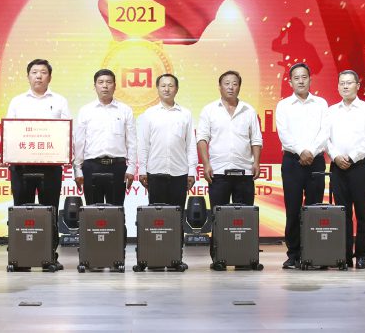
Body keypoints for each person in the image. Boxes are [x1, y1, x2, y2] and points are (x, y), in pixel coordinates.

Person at [275, 62, 330, 269]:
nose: (300, 81)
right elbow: (284, 134)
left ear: (310, 80)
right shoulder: (283, 106)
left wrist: (311, 152)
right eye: (296, 78)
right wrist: (301, 151)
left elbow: (325, 132)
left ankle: (313, 253)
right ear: (290, 82)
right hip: (292, 161)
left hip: (316, 161)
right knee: (293, 209)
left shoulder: (321, 104)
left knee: (314, 208)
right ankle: (293, 254)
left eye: (304, 77)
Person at [327, 69, 365, 270]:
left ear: (358, 85)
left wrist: (351, 157)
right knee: (342, 213)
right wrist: (335, 156)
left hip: (360, 167)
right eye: (342, 83)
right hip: (337, 167)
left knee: (363, 212)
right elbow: (326, 139)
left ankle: (362, 255)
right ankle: (344, 255)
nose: (345, 86)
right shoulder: (331, 111)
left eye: (349, 82)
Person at [5, 59, 71, 209]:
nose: (38, 76)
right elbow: (9, 132)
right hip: (21, 165)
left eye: (43, 72)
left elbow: (67, 132)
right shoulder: (17, 101)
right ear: (28, 77)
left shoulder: (60, 101)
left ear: (50, 77)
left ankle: (51, 226)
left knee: (50, 209)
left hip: (50, 165)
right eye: (34, 72)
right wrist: (7, 153)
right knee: (22, 210)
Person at [197, 70, 262, 207]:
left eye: (234, 84)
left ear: (239, 87)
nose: (231, 87)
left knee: (245, 215)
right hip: (218, 171)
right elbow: (202, 139)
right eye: (226, 84)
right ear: (219, 87)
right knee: (218, 215)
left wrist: (256, 162)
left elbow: (256, 139)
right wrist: (206, 164)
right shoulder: (209, 110)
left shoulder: (249, 110)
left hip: (245, 171)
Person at [73, 69, 136, 205]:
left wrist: (131, 168)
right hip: (91, 166)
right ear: (95, 86)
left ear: (115, 85)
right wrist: (77, 169)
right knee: (92, 212)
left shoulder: (125, 110)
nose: (105, 86)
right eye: (101, 82)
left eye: (109, 82)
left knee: (116, 211)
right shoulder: (85, 110)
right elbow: (79, 142)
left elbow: (131, 142)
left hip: (117, 167)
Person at [136, 73, 196, 208]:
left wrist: (192, 171)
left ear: (177, 89)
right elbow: (144, 144)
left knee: (178, 213)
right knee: (157, 215)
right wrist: (142, 170)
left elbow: (191, 145)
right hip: (155, 172)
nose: (166, 89)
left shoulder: (185, 114)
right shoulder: (149, 114)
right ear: (157, 88)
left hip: (180, 172)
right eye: (163, 86)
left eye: (170, 86)